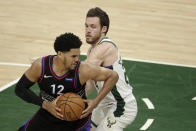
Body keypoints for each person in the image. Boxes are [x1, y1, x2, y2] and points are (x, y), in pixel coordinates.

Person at [15, 32, 119, 131]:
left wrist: (95, 102)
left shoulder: (83, 69)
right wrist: (45, 105)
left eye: (78, 55)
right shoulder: (41, 66)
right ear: (60, 54)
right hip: (48, 114)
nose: (77, 59)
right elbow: (20, 89)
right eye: (73, 56)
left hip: (76, 119)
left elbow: (113, 76)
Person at [84, 7, 138, 131]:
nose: (88, 30)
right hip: (104, 103)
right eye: (86, 26)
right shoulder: (91, 50)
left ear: (104, 29)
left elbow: (83, 69)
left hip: (121, 106)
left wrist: (51, 62)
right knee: (84, 128)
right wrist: (74, 98)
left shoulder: (106, 47)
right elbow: (89, 83)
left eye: (93, 27)